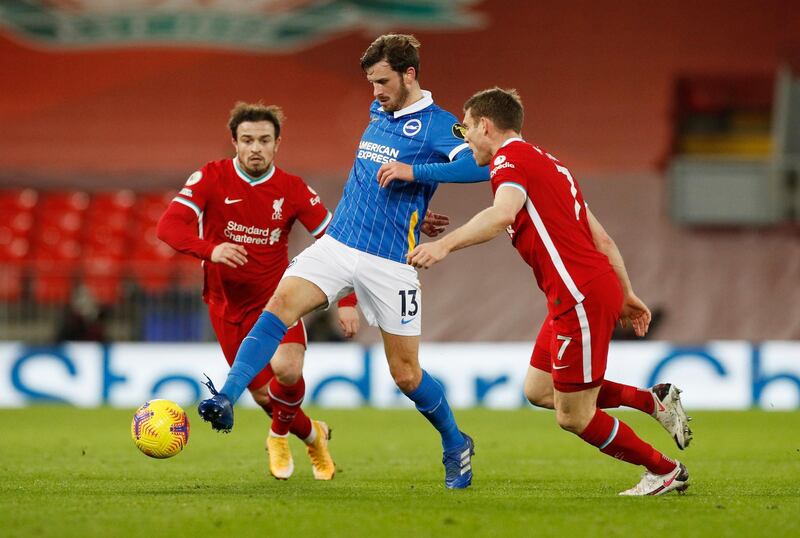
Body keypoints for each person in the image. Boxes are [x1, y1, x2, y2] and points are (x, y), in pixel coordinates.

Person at [197, 34, 489, 489]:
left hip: (390, 262)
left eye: (383, 81)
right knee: (279, 307)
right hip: (339, 244)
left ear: (410, 75)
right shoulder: (379, 112)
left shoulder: (439, 124)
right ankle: (228, 397)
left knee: (406, 374)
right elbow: (377, 180)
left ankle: (456, 442)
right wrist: (412, 207)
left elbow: (481, 165)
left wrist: (418, 175)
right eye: (371, 82)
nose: (375, 92)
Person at [407, 87, 693, 496]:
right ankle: (653, 402)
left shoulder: (508, 161)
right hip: (578, 293)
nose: (464, 137)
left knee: (574, 415)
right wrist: (625, 293)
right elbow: (603, 240)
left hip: (579, 295)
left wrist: (443, 245)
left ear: (485, 126)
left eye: (466, 128)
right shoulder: (551, 165)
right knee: (539, 390)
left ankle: (666, 470)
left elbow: (502, 213)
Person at [156, 102, 361, 481]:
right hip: (226, 306)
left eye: (264, 140)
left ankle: (278, 436)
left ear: (277, 144)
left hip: (277, 301)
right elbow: (168, 227)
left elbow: (336, 243)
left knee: (288, 368)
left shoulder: (292, 188)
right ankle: (314, 435)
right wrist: (210, 249)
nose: (255, 148)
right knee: (266, 397)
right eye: (247, 140)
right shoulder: (210, 177)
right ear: (234, 142)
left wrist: (347, 300)